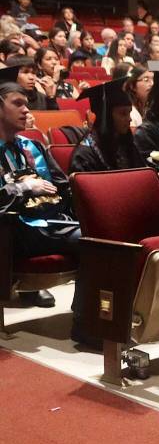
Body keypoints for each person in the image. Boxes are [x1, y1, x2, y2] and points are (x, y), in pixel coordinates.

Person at [0, 75, 82, 320]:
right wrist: (24, 187)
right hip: (13, 229)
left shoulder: (31, 146)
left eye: (27, 103)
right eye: (17, 103)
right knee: (92, 242)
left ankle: (89, 313)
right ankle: (89, 319)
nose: (26, 110)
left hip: (49, 223)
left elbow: (61, 184)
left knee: (101, 233)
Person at [69, 78, 145, 173]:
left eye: (129, 113)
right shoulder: (84, 155)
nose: (129, 119)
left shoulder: (126, 144)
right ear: (106, 116)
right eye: (123, 113)